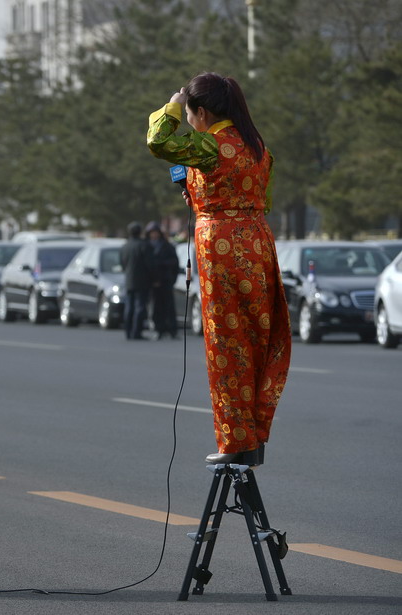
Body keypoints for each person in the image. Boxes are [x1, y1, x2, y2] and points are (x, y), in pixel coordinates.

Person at [147, 72, 291, 465]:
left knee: (226, 343)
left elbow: (158, 141)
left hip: (221, 248)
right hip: (258, 244)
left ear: (202, 111)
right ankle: (256, 434)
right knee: (259, 340)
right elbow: (265, 198)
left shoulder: (210, 147)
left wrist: (173, 102)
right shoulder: (259, 148)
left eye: (191, 113)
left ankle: (235, 440)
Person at [145, 221, 179, 339]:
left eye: (156, 233)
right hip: (154, 282)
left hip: (166, 280)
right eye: (152, 233)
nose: (154, 235)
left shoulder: (166, 246)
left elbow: (175, 262)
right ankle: (159, 328)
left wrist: (162, 265)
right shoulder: (147, 246)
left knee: (169, 305)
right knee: (156, 306)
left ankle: (172, 329)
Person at [119, 221, 151, 340]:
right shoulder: (143, 245)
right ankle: (136, 332)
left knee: (129, 307)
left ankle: (128, 331)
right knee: (139, 307)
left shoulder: (125, 246)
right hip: (142, 281)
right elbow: (150, 264)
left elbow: (122, 264)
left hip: (128, 280)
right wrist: (154, 278)